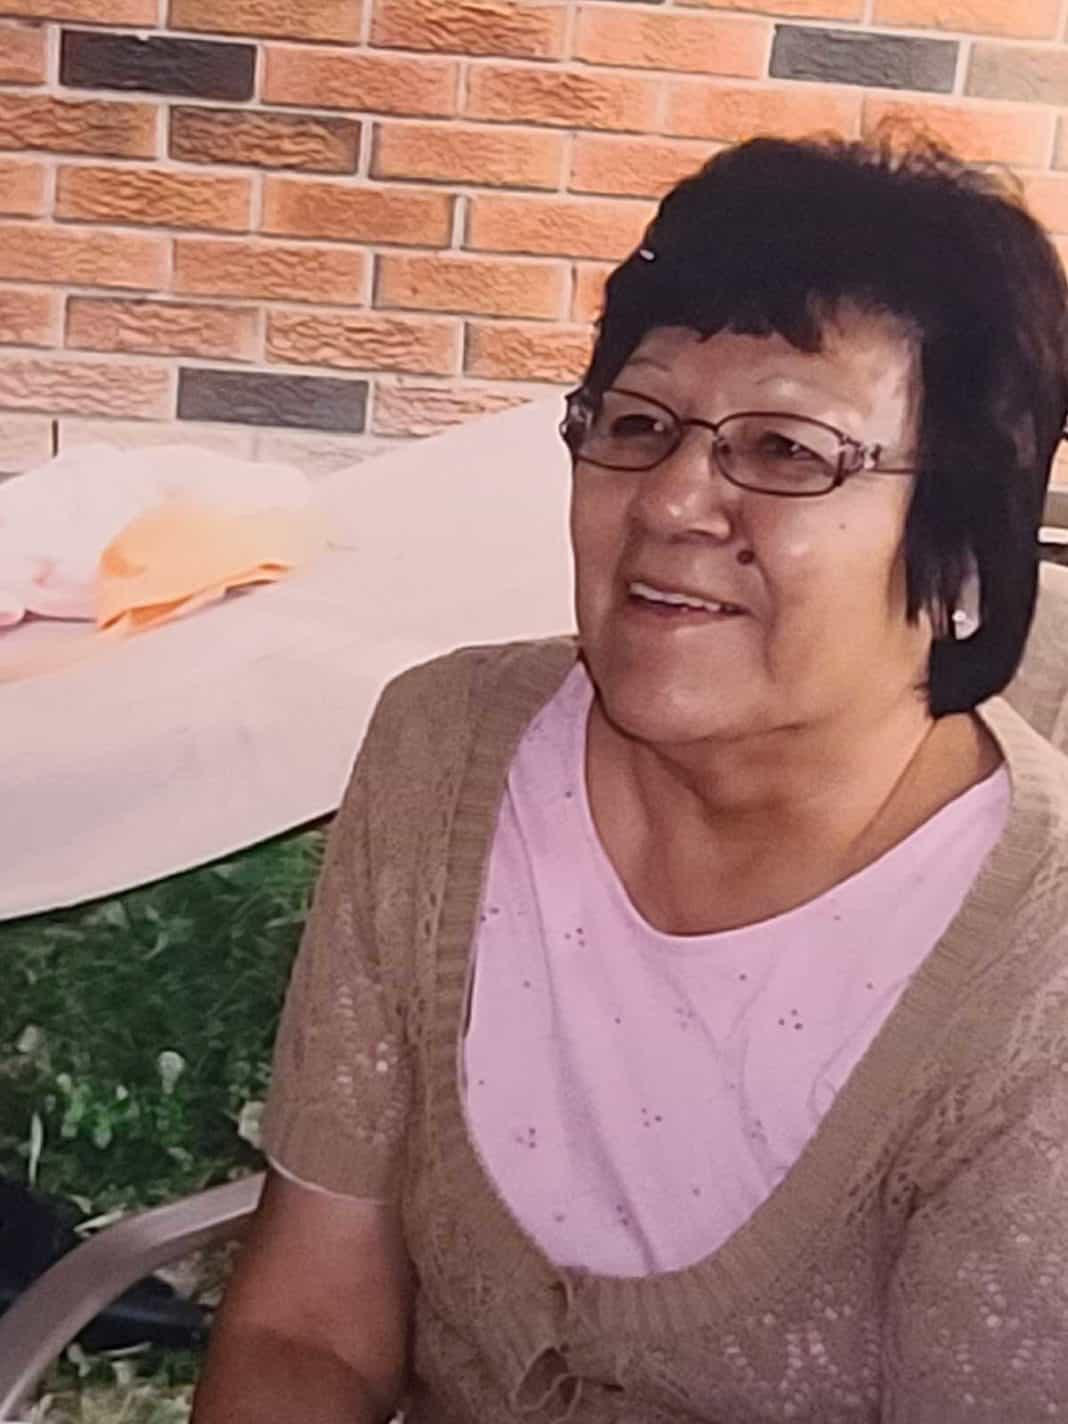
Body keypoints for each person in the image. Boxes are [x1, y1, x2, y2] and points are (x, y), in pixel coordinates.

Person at [192, 132, 1068, 1424]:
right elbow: (308, 1326)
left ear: (966, 558)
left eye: (787, 450)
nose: (670, 502)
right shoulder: (444, 751)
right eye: (639, 424)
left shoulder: (1037, 979)